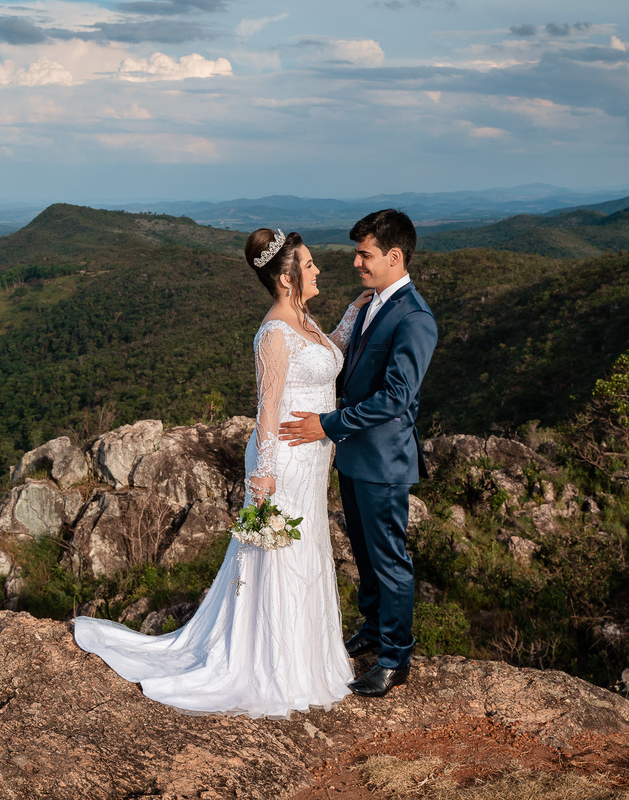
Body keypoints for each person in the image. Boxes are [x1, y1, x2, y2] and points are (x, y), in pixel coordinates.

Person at [72, 228, 372, 718]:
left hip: (312, 459)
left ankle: (304, 657)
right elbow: (267, 408)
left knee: (304, 549)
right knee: (281, 556)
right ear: (286, 278)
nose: (317, 269)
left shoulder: (303, 319)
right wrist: (264, 477)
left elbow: (327, 358)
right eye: (309, 264)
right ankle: (274, 665)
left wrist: (353, 314)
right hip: (284, 460)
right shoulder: (273, 332)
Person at [279, 209, 437, 698]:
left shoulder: (414, 317)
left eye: (365, 254)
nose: (355, 263)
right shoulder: (372, 302)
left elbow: (396, 398)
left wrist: (327, 424)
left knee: (389, 560)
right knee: (366, 556)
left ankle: (395, 657)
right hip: (354, 456)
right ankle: (372, 630)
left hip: (383, 462)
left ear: (394, 256)